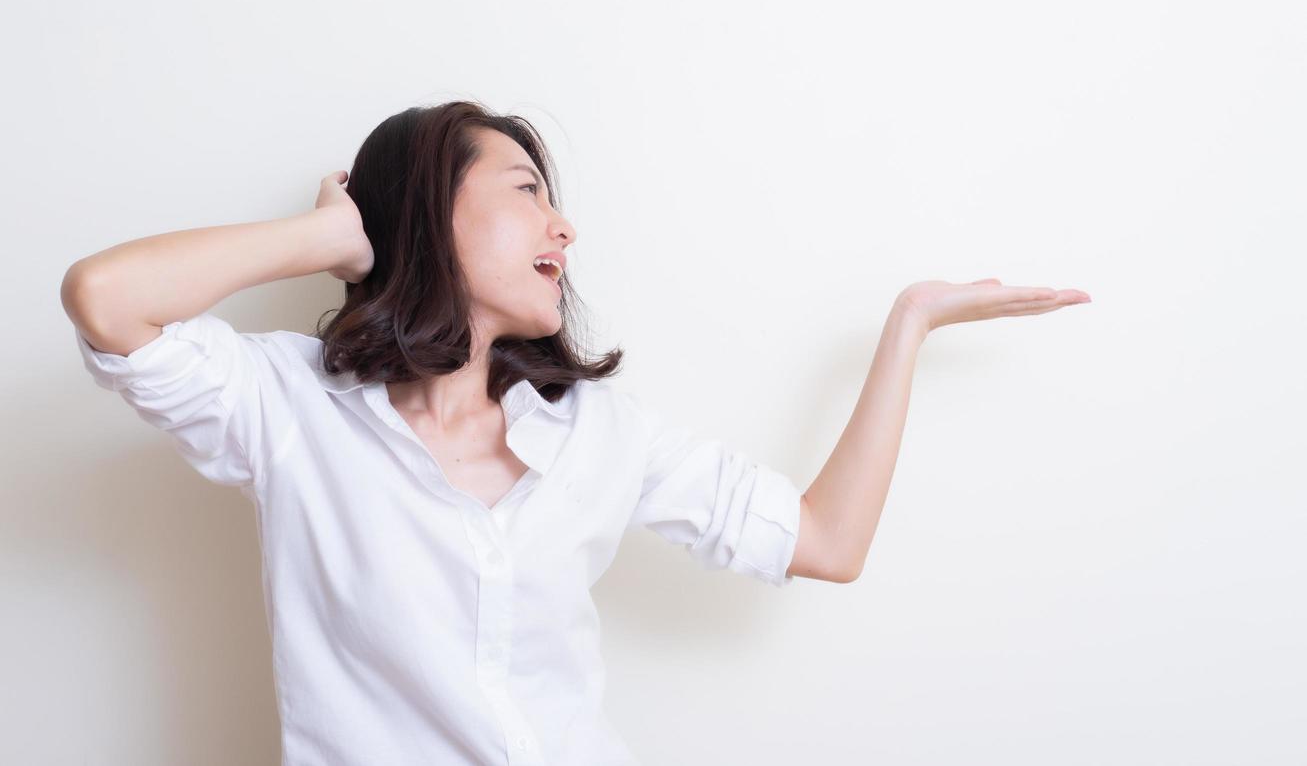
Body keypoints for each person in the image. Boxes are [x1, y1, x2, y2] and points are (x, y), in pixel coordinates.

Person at [61, 100, 1091, 764]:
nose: (563, 226)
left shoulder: (600, 436)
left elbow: (824, 539)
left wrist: (905, 321)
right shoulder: (286, 406)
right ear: (425, 211)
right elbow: (106, 297)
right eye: (526, 192)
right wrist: (327, 238)